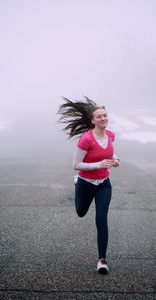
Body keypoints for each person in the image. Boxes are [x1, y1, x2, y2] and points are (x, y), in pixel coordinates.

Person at [57, 96, 120, 274]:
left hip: (103, 184)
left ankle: (102, 260)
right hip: (85, 182)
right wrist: (98, 164)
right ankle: (76, 184)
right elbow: (76, 165)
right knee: (81, 212)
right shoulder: (86, 139)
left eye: (105, 115)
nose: (103, 118)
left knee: (101, 219)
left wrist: (115, 160)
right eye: (99, 116)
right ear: (92, 120)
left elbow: (110, 152)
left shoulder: (110, 135)